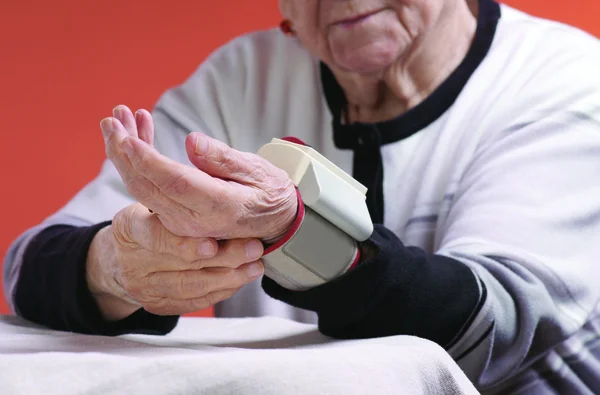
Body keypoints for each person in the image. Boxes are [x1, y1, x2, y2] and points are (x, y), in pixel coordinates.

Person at [4, 0, 600, 392]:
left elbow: (492, 329)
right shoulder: (243, 77)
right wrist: (120, 267)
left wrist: (296, 233)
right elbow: (30, 263)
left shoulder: (561, 78)